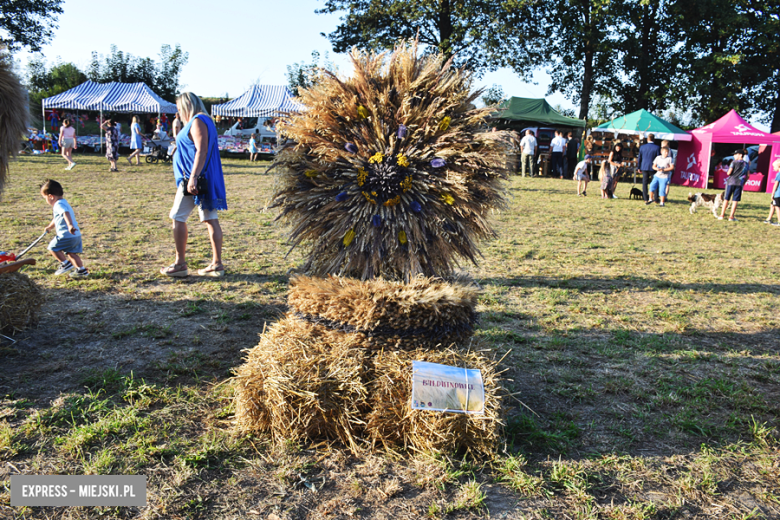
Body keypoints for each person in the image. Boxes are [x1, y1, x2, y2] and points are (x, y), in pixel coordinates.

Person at [161, 92, 228, 278]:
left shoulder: (198, 120)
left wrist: (193, 177)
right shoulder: (203, 120)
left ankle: (180, 263)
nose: (178, 113)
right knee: (210, 218)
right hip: (199, 178)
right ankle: (216, 264)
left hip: (195, 180)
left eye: (179, 109)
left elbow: (202, 150)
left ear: (185, 106)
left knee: (178, 216)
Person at [40, 179, 88, 278]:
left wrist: (70, 225)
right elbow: (57, 217)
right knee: (72, 253)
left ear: (51, 196)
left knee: (52, 248)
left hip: (66, 235)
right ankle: (81, 270)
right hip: (76, 235)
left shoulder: (58, 204)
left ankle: (65, 263)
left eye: (45, 198)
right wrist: (50, 227)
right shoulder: (63, 202)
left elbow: (65, 213)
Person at [718, 149, 749, 221]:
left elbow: (729, 173)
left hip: (731, 182)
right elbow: (748, 175)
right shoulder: (746, 164)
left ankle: (722, 215)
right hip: (739, 183)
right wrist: (743, 183)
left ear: (740, 155)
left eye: (735, 154)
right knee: (735, 200)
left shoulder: (733, 162)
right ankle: (731, 216)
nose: (733, 156)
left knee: (726, 199)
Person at [637, 133, 661, 202]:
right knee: (655, 182)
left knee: (644, 183)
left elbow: (640, 158)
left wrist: (639, 167)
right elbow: (658, 158)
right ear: (654, 139)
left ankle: (645, 198)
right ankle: (656, 198)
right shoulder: (657, 147)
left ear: (647, 139)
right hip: (653, 167)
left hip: (644, 166)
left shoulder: (642, 147)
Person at [764, 158, 780, 225]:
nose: (773, 168)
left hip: (778, 194)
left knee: (777, 206)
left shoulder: (778, 174)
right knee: (772, 205)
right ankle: (769, 219)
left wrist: (772, 193)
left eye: (774, 166)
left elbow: (776, 184)